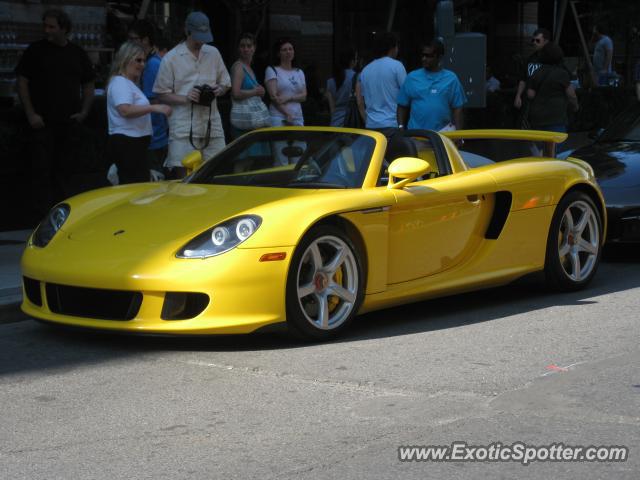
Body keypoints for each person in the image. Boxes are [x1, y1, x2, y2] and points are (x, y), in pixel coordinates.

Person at [15, 8, 95, 216]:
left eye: (52, 26)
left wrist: (84, 112)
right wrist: (31, 113)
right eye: (45, 26)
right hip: (42, 123)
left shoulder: (77, 53)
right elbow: (22, 82)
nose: (47, 30)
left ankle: (64, 215)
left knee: (66, 173)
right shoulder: (35, 51)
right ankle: (40, 217)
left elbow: (88, 84)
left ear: (64, 29)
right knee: (40, 172)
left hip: (68, 122)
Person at [153, 11, 230, 179]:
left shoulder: (213, 53)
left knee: (218, 172)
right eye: (197, 36)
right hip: (183, 126)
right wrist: (185, 98)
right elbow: (160, 93)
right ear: (187, 31)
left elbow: (225, 82)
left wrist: (219, 89)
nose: (201, 41)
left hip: (211, 123)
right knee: (184, 178)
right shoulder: (171, 58)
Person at [107, 42, 172, 184]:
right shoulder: (120, 82)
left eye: (144, 60)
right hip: (128, 143)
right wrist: (155, 108)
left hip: (135, 143)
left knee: (137, 183)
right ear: (126, 59)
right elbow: (125, 110)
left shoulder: (128, 83)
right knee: (133, 185)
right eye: (138, 60)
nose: (142, 64)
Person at [128, 19, 169, 179]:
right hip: (156, 135)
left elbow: (153, 101)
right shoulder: (154, 61)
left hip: (153, 136)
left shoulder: (151, 65)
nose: (130, 43)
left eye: (133, 39)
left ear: (145, 40)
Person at [397, 40, 466, 132]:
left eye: (428, 56)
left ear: (440, 57)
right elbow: (402, 106)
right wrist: (401, 127)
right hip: (417, 135)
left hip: (444, 134)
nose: (424, 59)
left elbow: (458, 108)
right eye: (423, 55)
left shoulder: (451, 78)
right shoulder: (412, 77)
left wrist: (458, 134)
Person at [526, 42, 578, 153]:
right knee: (555, 147)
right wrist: (575, 106)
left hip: (537, 117)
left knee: (540, 148)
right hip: (556, 117)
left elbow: (530, 94)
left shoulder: (536, 72)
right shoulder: (562, 74)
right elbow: (571, 95)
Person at [356, 32, 406, 137]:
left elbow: (361, 101)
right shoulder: (397, 66)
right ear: (392, 47)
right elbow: (407, 94)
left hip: (371, 127)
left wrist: (367, 120)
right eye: (397, 46)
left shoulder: (365, 71)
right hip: (392, 125)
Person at [229, 32, 266, 138]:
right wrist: (255, 92)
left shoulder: (249, 68)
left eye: (249, 46)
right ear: (238, 48)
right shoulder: (238, 67)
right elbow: (235, 93)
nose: (246, 49)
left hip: (251, 122)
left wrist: (260, 92)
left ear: (254, 48)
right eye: (242, 46)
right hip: (243, 123)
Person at [265, 37, 307, 126]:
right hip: (279, 117)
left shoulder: (299, 72)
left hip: (298, 117)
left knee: (299, 140)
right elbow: (273, 97)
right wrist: (287, 113)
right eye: (284, 50)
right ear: (278, 54)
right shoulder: (272, 70)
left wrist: (288, 98)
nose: (288, 52)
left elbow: (304, 96)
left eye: (290, 49)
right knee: (279, 140)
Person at [513, 28, 550, 114]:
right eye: (533, 40)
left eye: (537, 40)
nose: (534, 43)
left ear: (546, 42)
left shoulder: (550, 59)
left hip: (544, 103)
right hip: (529, 103)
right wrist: (518, 96)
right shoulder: (530, 59)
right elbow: (523, 79)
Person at [325, 49, 357, 126]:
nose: (357, 61)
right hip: (351, 122)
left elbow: (332, 109)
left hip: (335, 122)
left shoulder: (330, 82)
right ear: (352, 62)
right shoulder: (357, 78)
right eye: (356, 59)